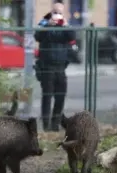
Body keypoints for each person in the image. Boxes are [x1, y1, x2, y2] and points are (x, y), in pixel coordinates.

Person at [34, 2, 76, 132]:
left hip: (61, 67)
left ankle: (55, 124)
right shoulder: (44, 23)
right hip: (47, 66)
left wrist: (65, 24)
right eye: (55, 12)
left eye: (60, 12)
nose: (57, 15)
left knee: (60, 96)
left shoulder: (65, 25)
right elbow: (37, 36)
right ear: (51, 11)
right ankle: (46, 126)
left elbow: (72, 37)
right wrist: (48, 25)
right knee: (47, 96)